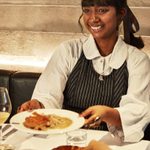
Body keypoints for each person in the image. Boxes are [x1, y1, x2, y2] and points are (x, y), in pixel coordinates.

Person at [18, 0, 150, 143]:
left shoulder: (137, 60)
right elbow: (48, 95)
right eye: (87, 10)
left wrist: (108, 114)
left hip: (113, 143)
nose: (93, 18)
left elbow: (138, 110)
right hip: (65, 139)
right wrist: (39, 105)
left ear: (121, 13)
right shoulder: (68, 51)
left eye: (102, 10)